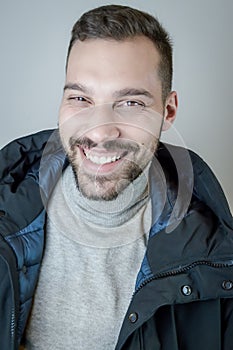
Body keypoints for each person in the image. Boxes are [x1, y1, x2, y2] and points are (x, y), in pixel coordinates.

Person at [0, 4, 233, 350]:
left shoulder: (217, 262)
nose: (99, 131)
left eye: (131, 103)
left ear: (167, 111)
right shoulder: (6, 220)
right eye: (81, 98)